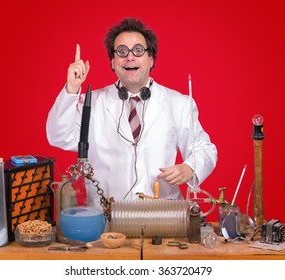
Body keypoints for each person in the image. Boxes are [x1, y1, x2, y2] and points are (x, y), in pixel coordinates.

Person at [46, 17, 217, 200]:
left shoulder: (179, 104)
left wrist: (189, 167)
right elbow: (59, 136)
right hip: (107, 217)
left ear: (151, 59)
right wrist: (72, 89)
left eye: (138, 50)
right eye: (121, 51)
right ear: (112, 62)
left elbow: (205, 149)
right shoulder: (92, 102)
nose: (130, 57)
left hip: (162, 215)